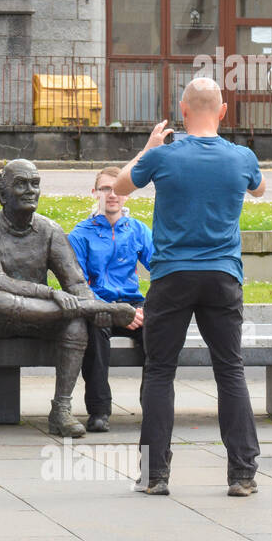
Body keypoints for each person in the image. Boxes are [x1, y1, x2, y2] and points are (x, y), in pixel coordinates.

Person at [114, 76, 266, 497]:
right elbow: (259, 190)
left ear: (182, 111)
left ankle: (155, 475)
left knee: (160, 371)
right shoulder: (242, 157)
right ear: (222, 111)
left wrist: (148, 148)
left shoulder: (164, 156)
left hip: (171, 276)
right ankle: (242, 474)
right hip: (222, 276)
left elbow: (120, 186)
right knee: (230, 370)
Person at [0, 159, 138, 438]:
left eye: (35, 184)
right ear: (2, 194)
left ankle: (61, 410)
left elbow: (75, 282)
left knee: (75, 325)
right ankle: (90, 309)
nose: (29, 190)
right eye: (21, 184)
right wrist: (52, 294)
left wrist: (83, 301)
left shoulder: (50, 230)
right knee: (1, 300)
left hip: (39, 316)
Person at [66, 166, 152, 433]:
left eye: (118, 189)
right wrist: (110, 310)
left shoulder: (138, 230)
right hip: (97, 306)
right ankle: (99, 410)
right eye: (105, 189)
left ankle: (153, 406)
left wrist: (149, 309)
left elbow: (162, 269)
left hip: (133, 305)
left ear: (128, 193)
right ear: (94, 193)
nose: (112, 194)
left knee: (158, 332)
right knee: (94, 332)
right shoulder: (80, 234)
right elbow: (76, 284)